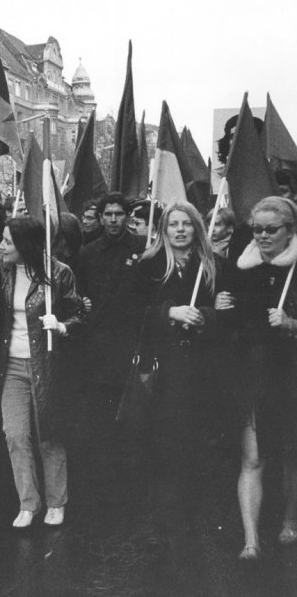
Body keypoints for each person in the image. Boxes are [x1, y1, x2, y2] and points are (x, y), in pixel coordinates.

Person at [217, 196, 297, 560]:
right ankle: (251, 540)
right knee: (252, 458)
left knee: (289, 454)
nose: (263, 236)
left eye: (271, 230)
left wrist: (291, 324)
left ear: (289, 231)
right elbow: (226, 319)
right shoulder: (238, 267)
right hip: (250, 373)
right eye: (257, 230)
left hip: (290, 372)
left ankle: (288, 521)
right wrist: (219, 309)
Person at [134, 202, 220, 529]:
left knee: (198, 435)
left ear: (196, 228)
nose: (180, 229)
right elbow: (134, 312)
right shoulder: (149, 265)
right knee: (165, 435)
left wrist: (206, 317)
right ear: (164, 229)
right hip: (162, 362)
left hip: (202, 363)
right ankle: (164, 512)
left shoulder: (211, 264)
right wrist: (170, 312)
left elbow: (224, 309)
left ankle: (194, 507)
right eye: (174, 224)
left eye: (186, 223)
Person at [0, 216, 84, 528]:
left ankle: (56, 501)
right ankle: (28, 503)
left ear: (25, 245)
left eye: (7, 241)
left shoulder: (58, 273)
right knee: (15, 434)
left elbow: (78, 314)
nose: (1, 247)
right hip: (11, 366)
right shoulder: (1, 269)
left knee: (49, 433)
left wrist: (60, 325)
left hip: (46, 364)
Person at [72, 193, 146, 431]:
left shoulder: (144, 248)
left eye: (119, 214)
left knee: (132, 411)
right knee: (101, 411)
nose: (114, 219)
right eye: (108, 214)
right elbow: (80, 293)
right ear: (101, 218)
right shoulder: (87, 252)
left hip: (132, 340)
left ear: (127, 217)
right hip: (99, 343)